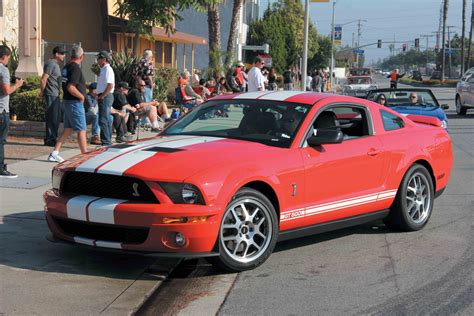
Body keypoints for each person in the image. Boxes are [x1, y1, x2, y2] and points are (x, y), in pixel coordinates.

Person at [48, 45, 87, 163]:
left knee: (68, 129)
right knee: (81, 129)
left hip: (67, 101)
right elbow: (71, 87)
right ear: (82, 56)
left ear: (71, 55)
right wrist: (81, 96)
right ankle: (86, 157)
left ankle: (55, 152)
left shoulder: (67, 67)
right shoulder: (75, 68)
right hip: (74, 102)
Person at [0, 45, 23, 178]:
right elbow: (7, 90)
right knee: (1, 141)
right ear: (4, 57)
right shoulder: (3, 70)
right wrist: (18, 85)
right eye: (8, 57)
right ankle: (1, 169)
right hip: (2, 110)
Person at [40, 46, 65, 147]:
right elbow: (43, 79)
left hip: (55, 95)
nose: (64, 55)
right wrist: (42, 93)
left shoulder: (55, 64)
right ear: (56, 54)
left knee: (56, 117)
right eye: (62, 53)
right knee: (52, 118)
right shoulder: (51, 63)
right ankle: (50, 139)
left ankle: (52, 138)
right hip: (51, 94)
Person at [95, 51, 115, 146]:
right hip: (103, 95)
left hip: (106, 96)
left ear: (104, 59)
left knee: (104, 119)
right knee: (104, 119)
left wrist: (102, 96)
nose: (97, 60)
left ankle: (106, 141)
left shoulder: (108, 69)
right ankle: (106, 140)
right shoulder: (103, 69)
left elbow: (110, 85)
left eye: (99, 58)